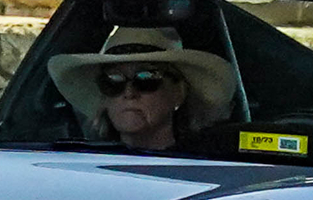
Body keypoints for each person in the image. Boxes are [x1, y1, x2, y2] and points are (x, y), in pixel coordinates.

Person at [49, 27, 236, 151]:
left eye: (146, 78)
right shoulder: (82, 168)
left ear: (179, 93)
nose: (129, 93)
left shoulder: (204, 167)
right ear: (103, 96)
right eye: (113, 81)